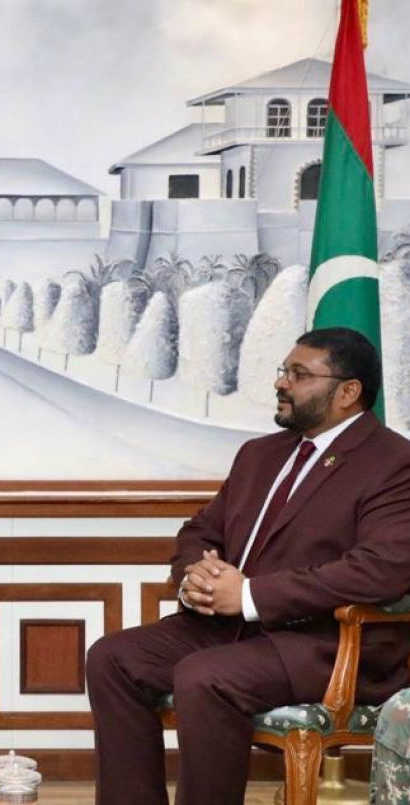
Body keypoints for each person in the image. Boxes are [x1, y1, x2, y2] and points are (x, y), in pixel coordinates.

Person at [86, 327, 410, 805]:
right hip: (228, 630)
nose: (281, 383)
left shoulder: (393, 462)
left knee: (205, 676)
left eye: (299, 374)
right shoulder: (260, 455)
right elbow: (201, 530)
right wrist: (196, 575)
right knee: (113, 658)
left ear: (348, 392)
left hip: (325, 642)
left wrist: (249, 596)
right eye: (283, 371)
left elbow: (381, 569)